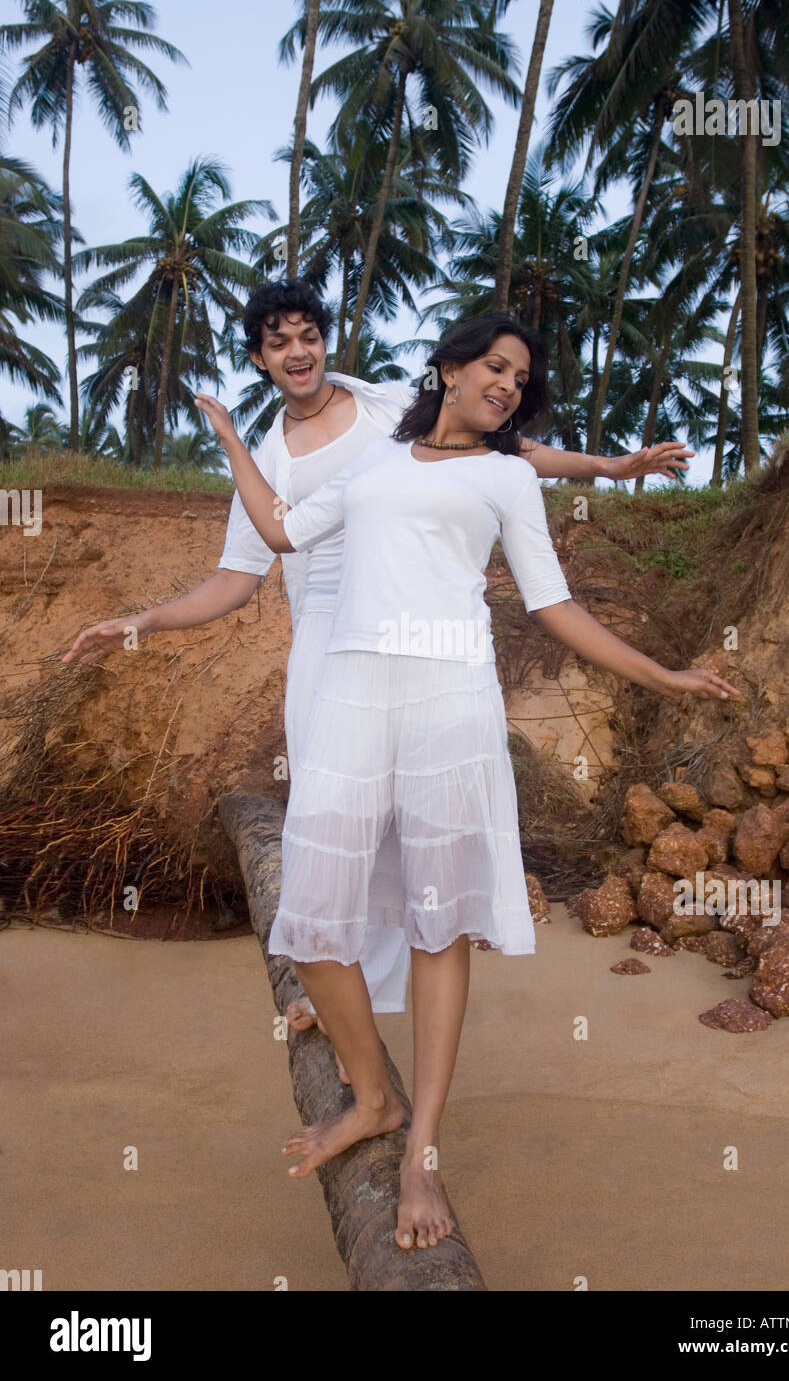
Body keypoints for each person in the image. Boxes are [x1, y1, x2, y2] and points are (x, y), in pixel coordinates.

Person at [194, 312, 741, 1251]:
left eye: (520, 377)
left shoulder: (507, 475)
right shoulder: (374, 464)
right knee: (314, 919)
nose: (506, 383)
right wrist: (235, 442)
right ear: (448, 369)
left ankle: (421, 1153)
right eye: (494, 365)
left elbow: (552, 602)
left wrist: (661, 672)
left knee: (439, 923)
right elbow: (281, 532)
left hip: (452, 699)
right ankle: (370, 1096)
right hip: (354, 694)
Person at [62, 280, 696, 1080]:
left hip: (408, 622)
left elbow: (508, 452)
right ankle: (339, 990)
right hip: (327, 635)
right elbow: (241, 571)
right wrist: (143, 620)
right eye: (278, 341)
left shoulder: (388, 409)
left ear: (324, 341)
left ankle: (373, 1001)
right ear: (259, 359)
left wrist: (607, 466)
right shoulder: (265, 457)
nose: (298, 352)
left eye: (308, 335)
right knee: (332, 829)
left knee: (413, 830)